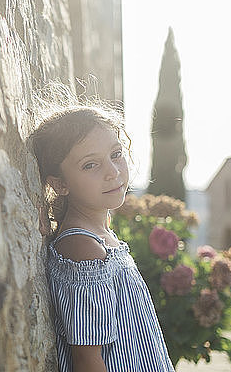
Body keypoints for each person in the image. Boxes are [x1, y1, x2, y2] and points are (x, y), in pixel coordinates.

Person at [29, 93, 175, 371]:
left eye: (116, 154)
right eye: (90, 164)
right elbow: (87, 360)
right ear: (59, 184)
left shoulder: (105, 242)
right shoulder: (83, 251)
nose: (113, 172)